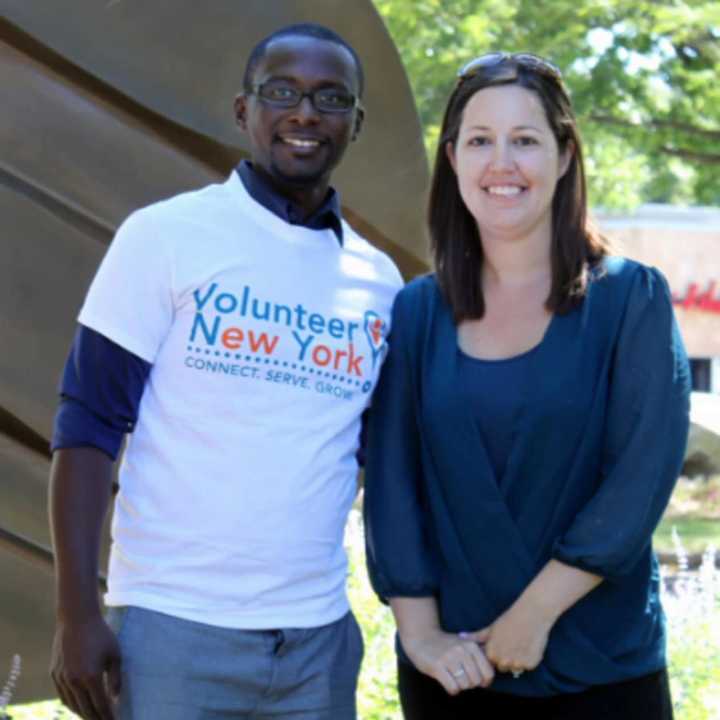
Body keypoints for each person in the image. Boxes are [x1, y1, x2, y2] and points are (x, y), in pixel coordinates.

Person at [48, 23, 403, 720]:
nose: (305, 113)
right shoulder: (164, 237)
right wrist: (76, 615)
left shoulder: (380, 282)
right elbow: (87, 427)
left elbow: (368, 459)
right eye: (282, 92)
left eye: (331, 99)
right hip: (170, 632)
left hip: (316, 645)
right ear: (244, 111)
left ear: (355, 124)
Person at [364, 52, 690, 720]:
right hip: (452, 676)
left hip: (602, 672)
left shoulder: (631, 299)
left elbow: (641, 475)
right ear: (452, 159)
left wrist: (533, 616)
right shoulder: (417, 313)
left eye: (526, 140)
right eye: (480, 140)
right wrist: (420, 634)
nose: (501, 163)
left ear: (565, 155)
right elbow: (392, 484)